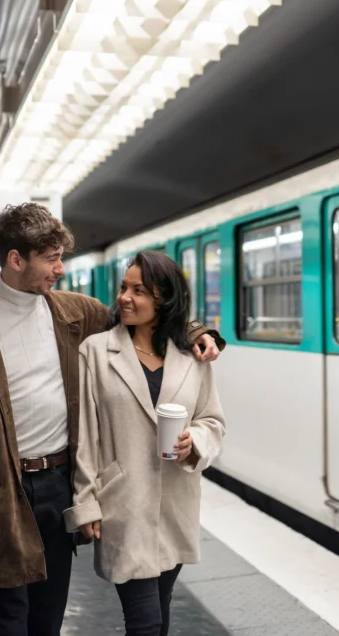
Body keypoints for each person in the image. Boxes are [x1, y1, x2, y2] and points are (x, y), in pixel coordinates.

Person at [0, 204, 225, 636]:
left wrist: (195, 334)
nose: (60, 268)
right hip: (1, 490)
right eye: (51, 259)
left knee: (47, 617)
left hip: (58, 486)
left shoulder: (76, 313)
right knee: (3, 617)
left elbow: (145, 320)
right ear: (16, 260)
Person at [65, 251, 226, 636]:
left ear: (164, 299)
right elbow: (86, 435)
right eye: (124, 287)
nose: (125, 297)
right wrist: (85, 503)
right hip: (122, 503)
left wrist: (196, 441)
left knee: (161, 611)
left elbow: (212, 420)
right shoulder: (96, 351)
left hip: (175, 503)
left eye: (139, 290)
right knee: (146, 622)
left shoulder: (192, 356)